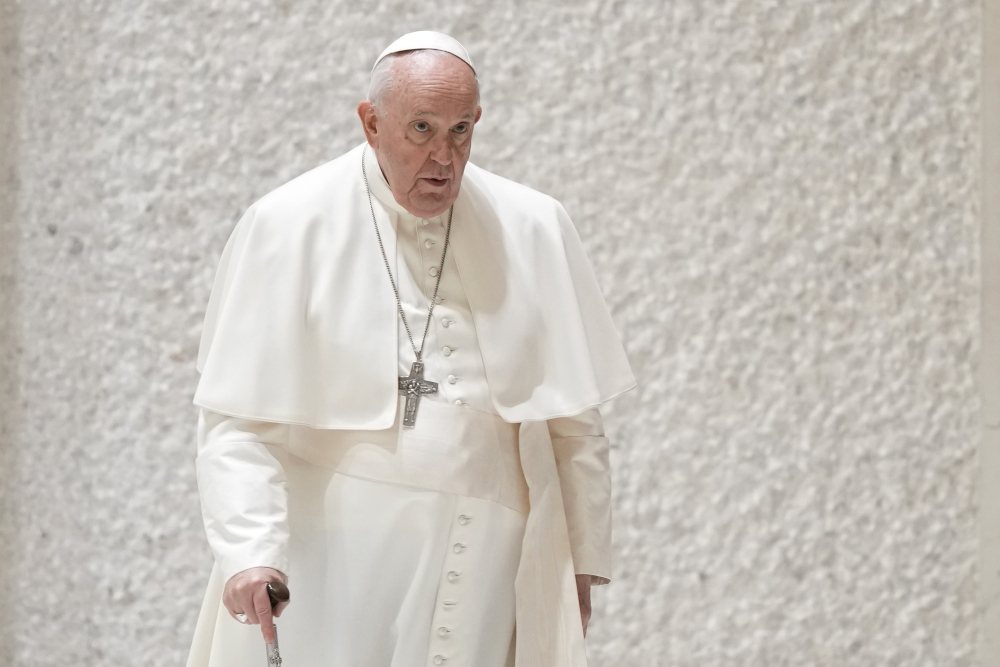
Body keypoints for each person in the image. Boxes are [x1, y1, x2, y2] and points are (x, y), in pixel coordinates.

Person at [186, 31, 635, 667]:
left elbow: (575, 425)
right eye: (420, 128)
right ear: (371, 123)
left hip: (486, 558)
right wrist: (250, 551)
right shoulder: (288, 224)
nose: (443, 156)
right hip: (332, 556)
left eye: (460, 130)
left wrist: (581, 562)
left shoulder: (535, 226)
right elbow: (235, 423)